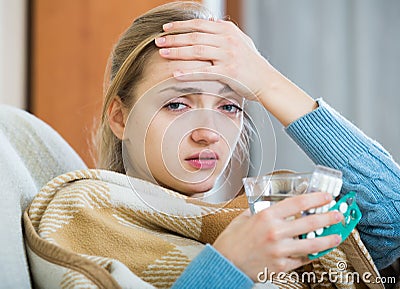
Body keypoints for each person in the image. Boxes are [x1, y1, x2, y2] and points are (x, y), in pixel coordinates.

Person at [24, 2, 400, 288]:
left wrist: (267, 82)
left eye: (229, 106)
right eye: (176, 103)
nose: (209, 132)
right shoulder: (83, 215)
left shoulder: (249, 223)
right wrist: (227, 267)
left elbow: (393, 220)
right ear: (120, 118)